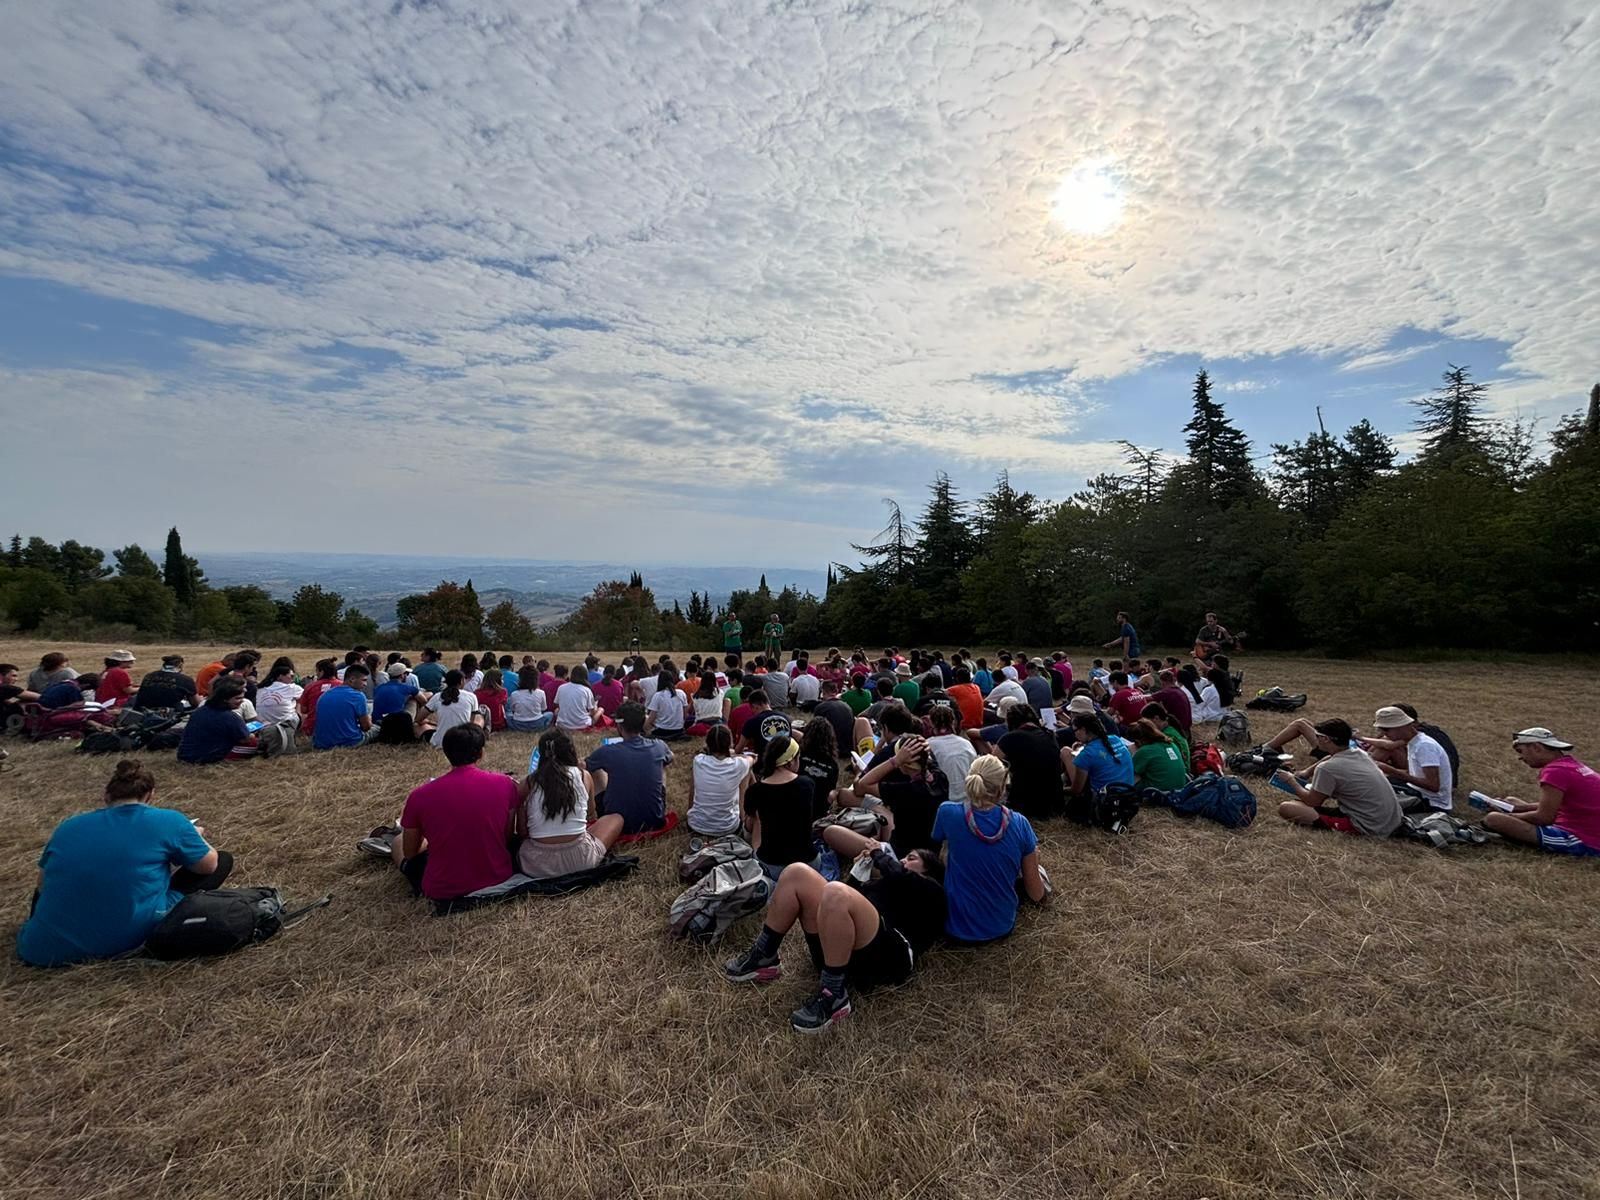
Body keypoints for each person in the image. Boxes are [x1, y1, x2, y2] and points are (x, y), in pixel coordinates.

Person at [17, 760, 232, 967]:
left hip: (42, 950)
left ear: (106, 796)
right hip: (129, 938)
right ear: (150, 796)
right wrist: (195, 835)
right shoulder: (170, 821)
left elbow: (42, 886)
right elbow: (209, 865)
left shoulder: (68, 827)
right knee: (222, 860)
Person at [722, 840, 947, 1033]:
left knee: (835, 891)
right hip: (842, 954)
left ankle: (833, 996)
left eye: (911, 858)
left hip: (888, 958)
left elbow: (900, 878)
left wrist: (878, 853)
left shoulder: (932, 891)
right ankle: (764, 955)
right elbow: (840, 904)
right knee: (796, 872)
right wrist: (859, 873)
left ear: (928, 870)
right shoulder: (887, 882)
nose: (903, 861)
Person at [928, 755, 1048, 944]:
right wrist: (1035, 863)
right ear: (1002, 788)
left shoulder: (947, 812)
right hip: (1001, 926)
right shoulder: (1020, 823)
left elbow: (939, 845)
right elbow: (1036, 894)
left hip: (955, 928)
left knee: (949, 847)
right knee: (1032, 858)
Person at [392, 724, 519, 901]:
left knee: (398, 840)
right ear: (481, 753)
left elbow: (410, 852)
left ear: (446, 753)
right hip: (497, 876)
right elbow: (507, 836)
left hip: (442, 887)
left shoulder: (419, 796)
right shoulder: (506, 784)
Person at [515, 729, 626, 878]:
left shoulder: (529, 782)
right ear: (571, 751)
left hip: (535, 864)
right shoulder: (583, 776)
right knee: (616, 819)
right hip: (581, 860)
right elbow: (590, 817)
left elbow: (522, 832)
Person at [1271, 718, 1403, 838]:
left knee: (1287, 808)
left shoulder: (1328, 768)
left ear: (1326, 739)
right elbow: (1329, 758)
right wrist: (1306, 773)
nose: (1315, 739)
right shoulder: (1359, 753)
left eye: (1317, 736)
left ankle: (1338, 827)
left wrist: (1290, 781)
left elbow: (1313, 802)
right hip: (1390, 820)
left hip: (1369, 826)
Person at [1481, 728, 1600, 856]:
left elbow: (1544, 817)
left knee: (1494, 819)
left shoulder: (1555, 771)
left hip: (1584, 839)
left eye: (1521, 751)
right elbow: (1559, 805)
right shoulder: (1571, 765)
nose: (1520, 758)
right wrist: (1516, 808)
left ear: (1536, 747)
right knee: (1511, 801)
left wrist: (1510, 817)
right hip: (1589, 829)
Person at [585, 703, 675, 834]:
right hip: (654, 820)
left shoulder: (607, 752)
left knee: (595, 770)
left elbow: (584, 766)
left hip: (615, 823)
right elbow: (671, 757)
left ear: (620, 727)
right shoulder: (659, 746)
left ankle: (594, 813)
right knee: (661, 766)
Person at [745, 735, 817, 879]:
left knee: (754, 819)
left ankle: (755, 855)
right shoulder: (807, 784)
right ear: (790, 762)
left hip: (772, 865)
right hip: (808, 864)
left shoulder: (755, 791)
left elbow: (749, 824)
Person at [1360, 706, 1453, 812]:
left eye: (1386, 729)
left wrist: (1391, 771)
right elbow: (1415, 774)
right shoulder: (1414, 742)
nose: (1384, 733)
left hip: (1432, 802)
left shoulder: (1424, 746)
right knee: (1374, 782)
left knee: (1372, 790)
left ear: (1402, 726)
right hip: (1420, 792)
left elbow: (1433, 785)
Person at [993, 704, 1063, 820]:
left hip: (1025, 806)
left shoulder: (1009, 738)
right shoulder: (1049, 735)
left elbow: (991, 766)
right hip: (1054, 803)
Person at [687, 724, 752, 837]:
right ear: (730, 743)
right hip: (728, 828)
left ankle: (693, 811)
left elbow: (692, 790)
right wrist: (734, 753)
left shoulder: (698, 761)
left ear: (708, 743)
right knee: (746, 772)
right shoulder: (739, 764)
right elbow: (751, 758)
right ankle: (743, 814)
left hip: (695, 825)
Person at [177, 679, 260, 763]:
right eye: (237, 698)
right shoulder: (230, 717)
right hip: (206, 757)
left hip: (185, 755)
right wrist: (252, 736)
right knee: (254, 743)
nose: (242, 701)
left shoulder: (200, 710)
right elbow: (245, 740)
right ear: (225, 699)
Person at [1063, 714, 1134, 797]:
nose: (1074, 734)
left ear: (1083, 730)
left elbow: (1076, 790)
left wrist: (1060, 790)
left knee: (1065, 752)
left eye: (1074, 731)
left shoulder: (1086, 755)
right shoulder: (1115, 739)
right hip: (1129, 794)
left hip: (1106, 800)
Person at [312, 664, 377, 749]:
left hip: (321, 744)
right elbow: (366, 727)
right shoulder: (358, 696)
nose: (365, 684)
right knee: (377, 729)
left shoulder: (325, 694)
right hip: (349, 742)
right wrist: (369, 718)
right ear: (352, 679)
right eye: (363, 680)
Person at [417, 669, 482, 748]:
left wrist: (427, 721)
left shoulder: (438, 696)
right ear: (461, 681)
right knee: (480, 716)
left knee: (417, 726)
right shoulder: (471, 696)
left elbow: (419, 719)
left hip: (440, 742)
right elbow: (471, 723)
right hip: (464, 740)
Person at [794, 717, 840, 815]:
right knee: (834, 792)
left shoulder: (798, 756)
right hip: (819, 811)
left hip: (796, 806)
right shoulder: (833, 765)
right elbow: (830, 792)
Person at [926, 704, 977, 787]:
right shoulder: (966, 743)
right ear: (953, 722)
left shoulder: (927, 745)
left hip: (942, 795)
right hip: (969, 795)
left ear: (931, 722)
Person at [297, 659, 341, 740]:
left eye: (317, 671)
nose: (316, 674)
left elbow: (304, 710)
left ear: (322, 672)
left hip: (312, 730)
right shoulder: (343, 686)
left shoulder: (310, 687)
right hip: (339, 729)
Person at [737, 690, 792, 756]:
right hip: (785, 760)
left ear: (755, 706)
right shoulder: (786, 718)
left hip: (764, 762)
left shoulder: (752, 722)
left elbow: (739, 748)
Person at [133, 655, 197, 711]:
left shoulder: (148, 676)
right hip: (168, 714)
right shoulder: (185, 679)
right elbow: (195, 703)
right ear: (180, 666)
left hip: (142, 711)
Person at [255, 659, 305, 728]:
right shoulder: (292, 687)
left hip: (261, 724)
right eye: (291, 676)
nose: (293, 679)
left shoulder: (261, 687)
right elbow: (309, 696)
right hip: (284, 725)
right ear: (280, 676)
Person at [644, 668, 690, 740]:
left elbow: (651, 719)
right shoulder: (681, 693)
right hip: (679, 730)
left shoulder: (658, 696)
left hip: (662, 730)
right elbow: (685, 714)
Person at [552, 664, 601, 732]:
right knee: (601, 709)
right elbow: (592, 712)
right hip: (582, 724)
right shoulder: (586, 690)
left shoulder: (561, 687)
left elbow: (557, 705)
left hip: (562, 725)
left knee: (557, 710)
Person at [506, 666, 554, 732]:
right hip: (537, 724)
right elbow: (543, 709)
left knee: (507, 714)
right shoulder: (541, 693)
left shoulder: (514, 694)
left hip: (518, 725)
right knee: (550, 714)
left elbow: (512, 709)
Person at [1150, 671, 1194, 737]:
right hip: (1186, 728)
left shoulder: (1167, 692)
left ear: (1162, 681)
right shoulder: (1179, 690)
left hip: (1177, 729)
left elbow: (1147, 698)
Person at [474, 667, 509, 732]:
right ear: (497, 681)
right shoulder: (502, 692)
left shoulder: (477, 693)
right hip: (498, 724)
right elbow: (504, 704)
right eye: (502, 679)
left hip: (482, 723)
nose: (503, 681)